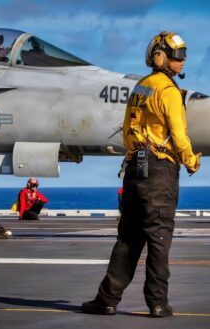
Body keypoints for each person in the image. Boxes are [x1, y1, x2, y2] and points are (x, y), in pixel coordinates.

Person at [82, 31, 201, 318]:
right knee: (159, 238)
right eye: (176, 55)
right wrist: (190, 161)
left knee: (128, 238)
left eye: (184, 55)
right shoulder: (168, 91)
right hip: (160, 173)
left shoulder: (140, 87)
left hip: (135, 169)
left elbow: (126, 131)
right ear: (159, 56)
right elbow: (179, 134)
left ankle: (107, 299)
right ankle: (157, 303)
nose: (182, 61)